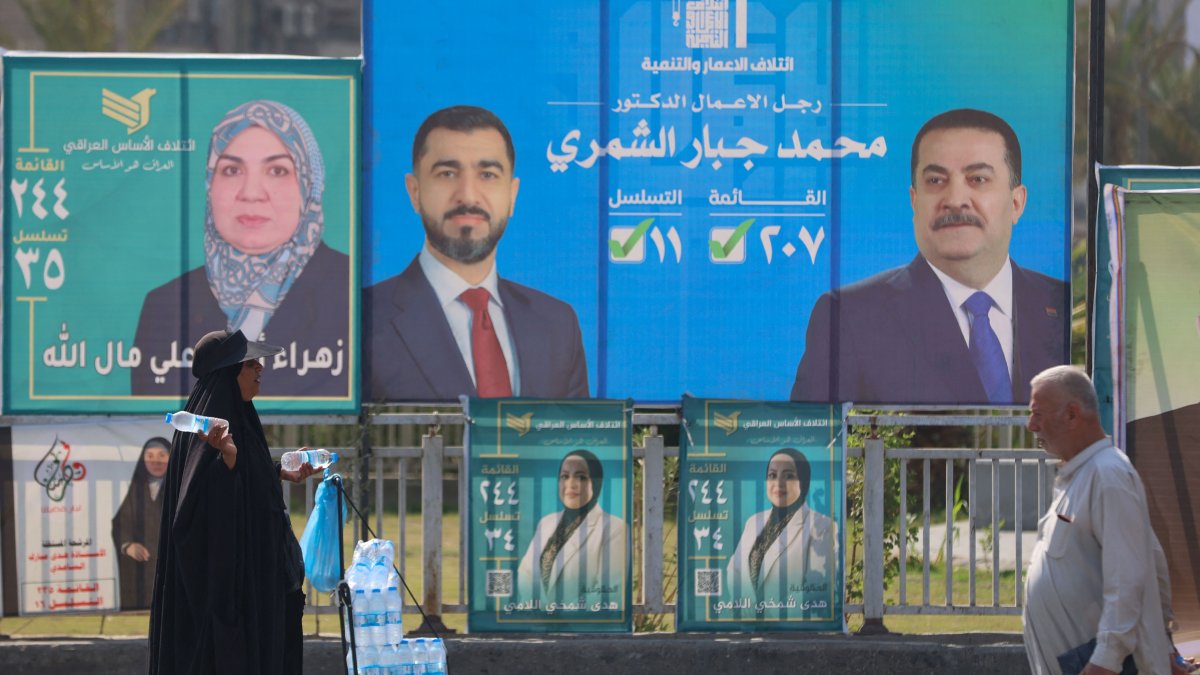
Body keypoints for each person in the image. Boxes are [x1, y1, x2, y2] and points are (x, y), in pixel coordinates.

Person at [791, 108, 1068, 405]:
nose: (955, 200)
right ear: (914, 201)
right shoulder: (849, 317)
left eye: (978, 179)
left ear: (1016, 202)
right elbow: (814, 443)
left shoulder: (1062, 306)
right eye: (936, 181)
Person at [364, 105, 588, 402]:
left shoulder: (558, 325)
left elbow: (576, 446)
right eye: (447, 173)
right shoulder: (361, 320)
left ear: (512, 195)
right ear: (414, 191)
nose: (468, 195)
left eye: (488, 174)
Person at [132, 100, 351, 399]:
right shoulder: (166, 305)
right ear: (210, 184)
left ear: (308, 186)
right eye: (232, 169)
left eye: (277, 170)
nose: (251, 193)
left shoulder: (350, 294)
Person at [148, 329, 320, 674]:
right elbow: (193, 517)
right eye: (250, 364)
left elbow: (247, 475)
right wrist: (225, 459)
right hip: (230, 598)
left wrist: (281, 472)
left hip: (258, 583)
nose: (260, 369)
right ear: (228, 373)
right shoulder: (206, 430)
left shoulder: (241, 421)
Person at [1023, 365, 1186, 675]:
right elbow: (1153, 561)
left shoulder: (1107, 475)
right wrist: (1163, 646)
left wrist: (1105, 661)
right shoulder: (1086, 475)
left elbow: (1128, 579)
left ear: (1072, 414)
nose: (1031, 425)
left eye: (1038, 414)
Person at [726, 448, 836, 600]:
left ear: (803, 482)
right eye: (772, 475)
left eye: (789, 476)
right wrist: (744, 607)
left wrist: (770, 612)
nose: (778, 483)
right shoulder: (753, 521)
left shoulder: (822, 527)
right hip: (747, 621)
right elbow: (734, 570)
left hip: (791, 622)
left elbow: (818, 589)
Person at [516, 449, 626, 600]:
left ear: (596, 482)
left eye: (580, 477)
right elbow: (525, 573)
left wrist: (559, 614)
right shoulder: (546, 522)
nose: (570, 484)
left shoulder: (614, 528)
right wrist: (537, 608)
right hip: (536, 620)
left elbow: (609, 592)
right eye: (565, 476)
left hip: (580, 623)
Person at [111, 436, 171, 610]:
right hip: (140, 571)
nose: (156, 461)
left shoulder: (180, 487)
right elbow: (120, 523)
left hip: (171, 567)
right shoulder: (135, 490)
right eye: (150, 456)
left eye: (162, 455)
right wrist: (128, 545)